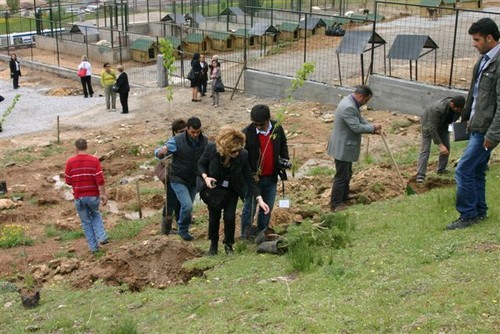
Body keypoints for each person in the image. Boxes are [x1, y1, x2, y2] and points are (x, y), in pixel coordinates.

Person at [448, 18, 500, 230]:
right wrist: (466, 116)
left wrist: (493, 134)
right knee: (476, 170)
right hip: (477, 126)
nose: (474, 44)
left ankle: (468, 215)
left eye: (477, 39)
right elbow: (475, 93)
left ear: (490, 38)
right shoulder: (484, 60)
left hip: (487, 130)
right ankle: (479, 211)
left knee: (463, 169)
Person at [199, 127, 270, 255]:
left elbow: (249, 177)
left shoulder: (243, 155)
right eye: (233, 152)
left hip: (232, 190)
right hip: (213, 189)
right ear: (224, 149)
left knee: (230, 217)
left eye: (238, 150)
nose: (236, 154)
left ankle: (229, 245)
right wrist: (206, 177)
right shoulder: (211, 149)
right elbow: (200, 165)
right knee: (214, 217)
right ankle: (213, 246)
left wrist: (259, 198)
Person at [326, 85, 382, 212]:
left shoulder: (350, 102)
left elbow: (359, 120)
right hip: (342, 147)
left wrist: (372, 128)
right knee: (341, 176)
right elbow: (356, 127)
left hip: (345, 145)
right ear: (361, 96)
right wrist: (372, 128)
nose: (365, 103)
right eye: (366, 100)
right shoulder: (348, 107)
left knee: (347, 173)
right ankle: (336, 204)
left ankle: (344, 195)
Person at [240, 104, 289, 239]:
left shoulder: (276, 128)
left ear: (268, 119)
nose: (258, 127)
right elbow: (243, 158)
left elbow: (283, 144)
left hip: (271, 177)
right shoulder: (247, 133)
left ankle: (262, 234)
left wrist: (284, 160)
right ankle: (246, 235)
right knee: (249, 209)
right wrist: (250, 175)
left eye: (261, 124)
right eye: (256, 124)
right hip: (253, 179)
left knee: (266, 208)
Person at [166, 117, 208, 240]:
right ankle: (182, 230)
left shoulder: (204, 141)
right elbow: (160, 152)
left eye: (197, 132)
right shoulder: (176, 140)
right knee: (187, 205)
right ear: (187, 130)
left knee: (187, 208)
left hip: (194, 179)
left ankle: (183, 230)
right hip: (178, 178)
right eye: (192, 132)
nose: (195, 135)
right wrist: (161, 152)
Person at [65, 138, 109, 253]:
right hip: (93, 195)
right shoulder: (94, 161)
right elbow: (100, 179)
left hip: (79, 196)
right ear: (86, 147)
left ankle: (94, 248)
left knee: (86, 222)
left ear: (76, 148)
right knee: (95, 214)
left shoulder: (70, 162)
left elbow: (68, 181)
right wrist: (103, 194)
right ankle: (102, 236)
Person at [416, 96, 466, 183]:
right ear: (452, 104)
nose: (459, 111)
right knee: (425, 150)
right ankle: (420, 175)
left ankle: (441, 170)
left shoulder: (459, 108)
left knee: (447, 148)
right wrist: (440, 145)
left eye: (460, 110)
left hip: (443, 125)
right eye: (458, 109)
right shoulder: (438, 108)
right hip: (428, 125)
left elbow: (456, 119)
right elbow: (432, 128)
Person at [155, 119, 187, 235]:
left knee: (181, 202)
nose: (183, 134)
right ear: (175, 132)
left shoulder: (189, 141)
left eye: (185, 131)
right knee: (170, 202)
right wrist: (161, 152)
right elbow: (159, 153)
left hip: (184, 177)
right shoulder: (173, 142)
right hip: (172, 177)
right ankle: (166, 230)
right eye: (181, 132)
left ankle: (180, 227)